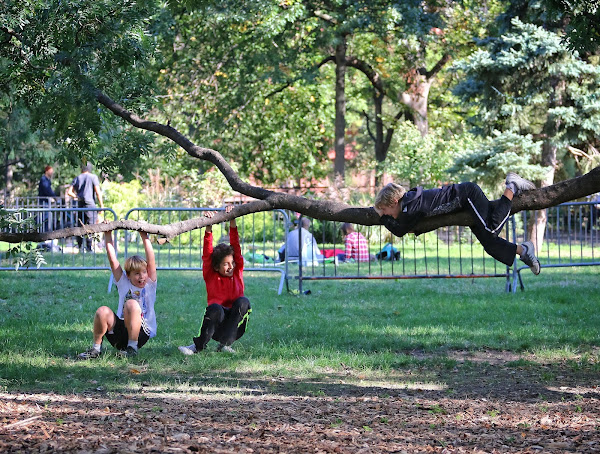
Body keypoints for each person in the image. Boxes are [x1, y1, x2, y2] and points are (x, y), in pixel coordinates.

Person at [373, 173, 541, 275]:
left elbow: (400, 230)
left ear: (394, 202)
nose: (386, 213)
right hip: (463, 206)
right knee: (490, 244)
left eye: (385, 209)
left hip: (467, 195)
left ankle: (511, 186)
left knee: (492, 228)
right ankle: (523, 250)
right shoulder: (409, 204)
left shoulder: (411, 207)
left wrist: (382, 218)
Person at [179, 206, 251, 355]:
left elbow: (236, 246)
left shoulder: (237, 271)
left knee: (243, 301)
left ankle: (225, 345)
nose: (230, 267)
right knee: (216, 308)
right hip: (216, 324)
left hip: (234, 325)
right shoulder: (211, 274)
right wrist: (208, 227)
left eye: (232, 263)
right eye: (225, 264)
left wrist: (233, 219)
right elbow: (207, 254)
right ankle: (197, 346)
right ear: (216, 267)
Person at [77, 228, 157, 359]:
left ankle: (132, 347)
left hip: (141, 333)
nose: (142, 277)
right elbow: (113, 260)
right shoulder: (123, 283)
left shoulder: (150, 284)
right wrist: (107, 234)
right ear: (128, 275)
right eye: (137, 274)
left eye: (144, 272)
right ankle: (96, 349)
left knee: (131, 303)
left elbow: (151, 259)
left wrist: (144, 235)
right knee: (102, 311)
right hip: (119, 334)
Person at [66, 162, 104, 252]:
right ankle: (89, 247)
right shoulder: (93, 177)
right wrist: (101, 205)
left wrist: (76, 196)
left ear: (81, 168)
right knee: (91, 226)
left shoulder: (78, 178)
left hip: (80, 205)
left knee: (80, 226)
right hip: (90, 205)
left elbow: (69, 192)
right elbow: (98, 192)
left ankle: (79, 246)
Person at [37, 165, 60, 251]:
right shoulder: (44, 179)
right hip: (44, 202)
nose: (52, 173)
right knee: (45, 219)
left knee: (48, 218)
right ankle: (45, 237)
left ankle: (46, 236)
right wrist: (54, 197)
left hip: (46, 202)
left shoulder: (46, 180)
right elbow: (47, 190)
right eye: (51, 171)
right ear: (46, 171)